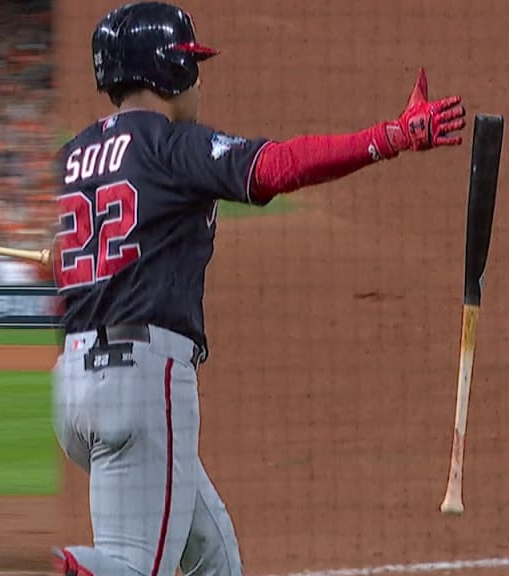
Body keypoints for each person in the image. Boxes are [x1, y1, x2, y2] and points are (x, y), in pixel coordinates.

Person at [50, 3, 465, 576]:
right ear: (168, 71)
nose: (197, 80)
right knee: (131, 566)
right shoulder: (172, 145)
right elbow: (278, 166)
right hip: (140, 388)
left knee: (215, 559)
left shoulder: (71, 158)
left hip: (71, 392)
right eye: (190, 65)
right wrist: (390, 136)